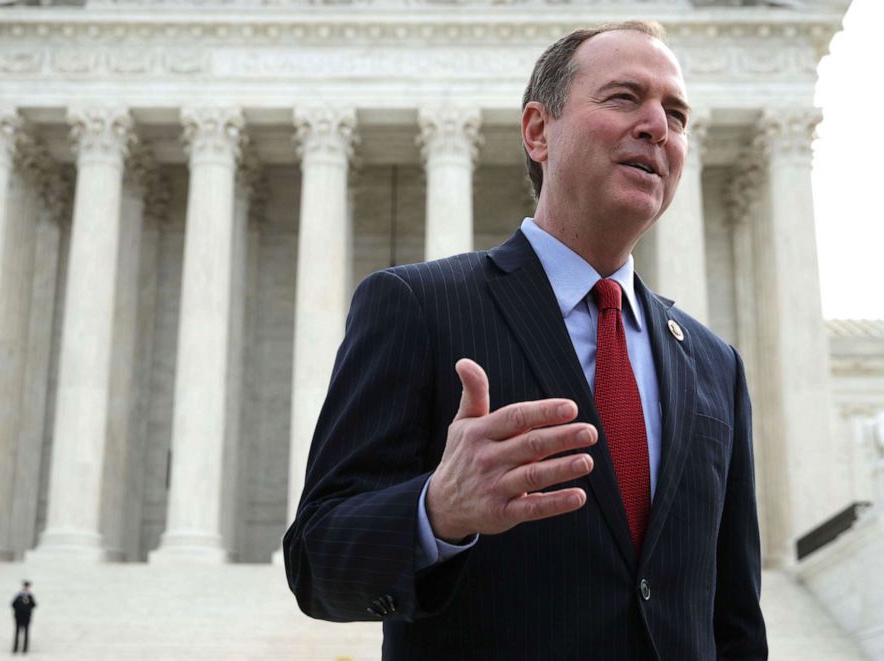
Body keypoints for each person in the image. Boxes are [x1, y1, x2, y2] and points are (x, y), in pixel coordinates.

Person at [283, 20, 767, 661]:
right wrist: (436, 512)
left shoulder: (713, 364)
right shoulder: (419, 307)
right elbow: (318, 561)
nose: (658, 126)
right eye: (625, 97)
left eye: (675, 114)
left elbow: (734, 621)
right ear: (538, 131)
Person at [11, 580, 36, 654]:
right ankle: (15, 648)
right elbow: (13, 604)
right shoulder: (19, 595)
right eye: (25, 586)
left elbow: (34, 605)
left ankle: (25, 649)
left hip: (26, 617)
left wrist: (28, 607)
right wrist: (18, 610)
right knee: (17, 632)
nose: (26, 588)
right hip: (19, 617)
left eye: (27, 586)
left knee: (26, 633)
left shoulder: (30, 596)